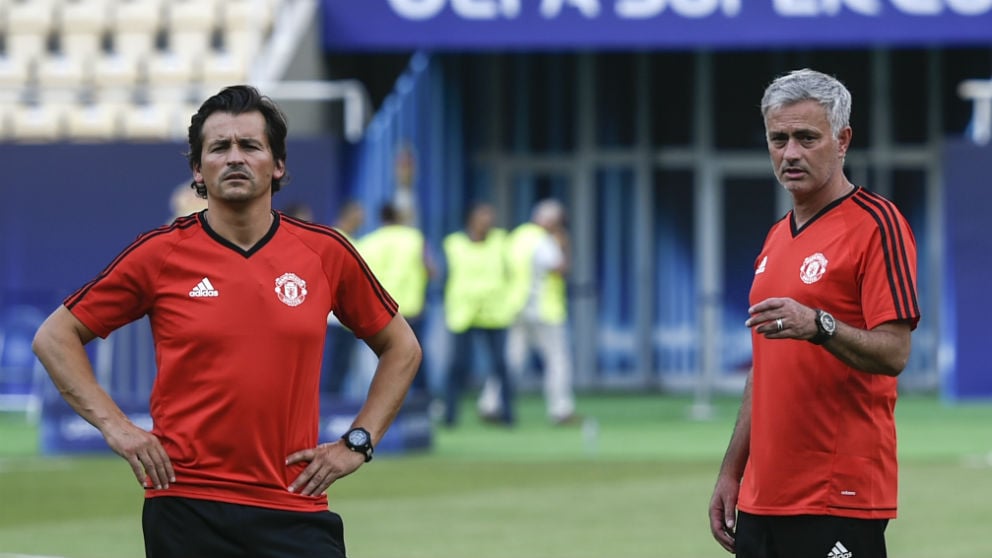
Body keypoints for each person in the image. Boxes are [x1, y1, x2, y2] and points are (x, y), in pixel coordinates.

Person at [31, 85, 421, 558]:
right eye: (219, 147)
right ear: (199, 169)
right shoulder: (160, 254)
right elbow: (55, 336)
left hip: (295, 503)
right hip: (185, 505)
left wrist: (358, 441)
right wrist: (117, 427)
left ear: (277, 165)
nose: (235, 157)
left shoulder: (325, 252)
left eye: (250, 146)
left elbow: (402, 347)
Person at [708, 69, 920, 558]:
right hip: (763, 497)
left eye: (806, 138)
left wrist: (819, 325)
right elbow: (765, 367)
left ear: (842, 140)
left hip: (837, 495)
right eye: (777, 139)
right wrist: (732, 471)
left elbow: (895, 351)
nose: (790, 153)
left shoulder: (878, 224)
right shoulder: (776, 237)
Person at [477, 198, 578, 425]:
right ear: (550, 221)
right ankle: (561, 409)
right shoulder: (544, 241)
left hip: (516, 307)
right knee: (557, 359)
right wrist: (563, 245)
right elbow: (559, 268)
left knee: (511, 359)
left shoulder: (519, 236)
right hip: (544, 310)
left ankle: (490, 403)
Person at [441, 202, 515, 427]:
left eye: (490, 216)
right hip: (464, 313)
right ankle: (450, 415)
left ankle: (508, 413)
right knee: (458, 365)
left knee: (501, 364)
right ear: (471, 219)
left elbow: (513, 272)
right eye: (483, 216)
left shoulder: (501, 241)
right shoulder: (454, 243)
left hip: (495, 313)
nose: (487, 221)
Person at [358, 202, 435, 397]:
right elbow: (431, 270)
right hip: (410, 308)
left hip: (380, 310)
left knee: (380, 359)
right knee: (415, 356)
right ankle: (422, 403)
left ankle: (381, 402)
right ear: (399, 217)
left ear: (380, 219)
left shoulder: (368, 242)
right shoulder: (415, 239)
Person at [321, 199, 367, 397]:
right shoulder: (335, 238)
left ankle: (332, 411)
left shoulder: (353, 241)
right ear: (349, 215)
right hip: (333, 318)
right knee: (331, 370)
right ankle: (325, 411)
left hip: (348, 320)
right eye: (359, 213)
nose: (363, 218)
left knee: (341, 371)